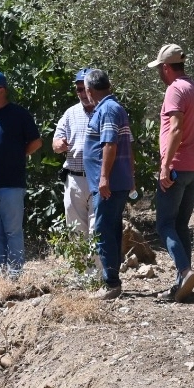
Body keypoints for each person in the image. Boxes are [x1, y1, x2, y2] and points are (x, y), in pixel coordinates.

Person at [149, 43, 194, 303]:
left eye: (159, 69)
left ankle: (184, 272)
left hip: (178, 167)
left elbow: (175, 128)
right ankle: (182, 285)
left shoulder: (175, 89)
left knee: (164, 224)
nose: (159, 74)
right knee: (181, 224)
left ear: (166, 67)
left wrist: (166, 165)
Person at [0, 70, 42, 278]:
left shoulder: (20, 114)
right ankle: (0, 272)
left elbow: (36, 142)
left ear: (2, 90)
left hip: (11, 184)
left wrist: (18, 155)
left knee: (12, 231)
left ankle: (15, 274)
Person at [81, 69, 134, 301]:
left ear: (90, 91)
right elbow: (128, 145)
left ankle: (111, 283)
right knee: (111, 229)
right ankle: (112, 277)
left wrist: (104, 178)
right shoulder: (112, 108)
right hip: (113, 182)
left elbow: (110, 144)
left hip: (109, 184)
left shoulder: (108, 109)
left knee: (103, 229)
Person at [52, 68, 96, 239]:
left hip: (98, 179)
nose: (83, 94)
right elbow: (55, 144)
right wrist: (59, 145)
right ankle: (81, 259)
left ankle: (97, 260)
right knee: (76, 232)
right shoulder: (70, 113)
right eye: (79, 89)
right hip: (74, 180)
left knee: (97, 232)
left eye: (85, 89)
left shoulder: (106, 110)